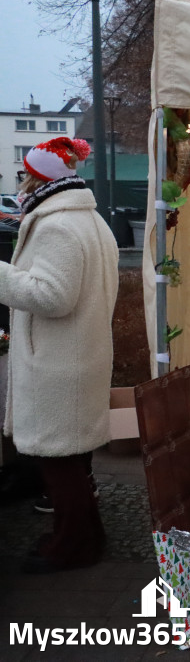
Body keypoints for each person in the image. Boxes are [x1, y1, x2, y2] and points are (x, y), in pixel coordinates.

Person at [0, 137, 119, 573]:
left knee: (60, 465)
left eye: (24, 174)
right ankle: (84, 538)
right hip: (75, 356)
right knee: (70, 463)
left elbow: (53, 296)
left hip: (59, 363)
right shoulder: (89, 221)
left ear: (40, 177)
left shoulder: (57, 226)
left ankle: (72, 547)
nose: (22, 182)